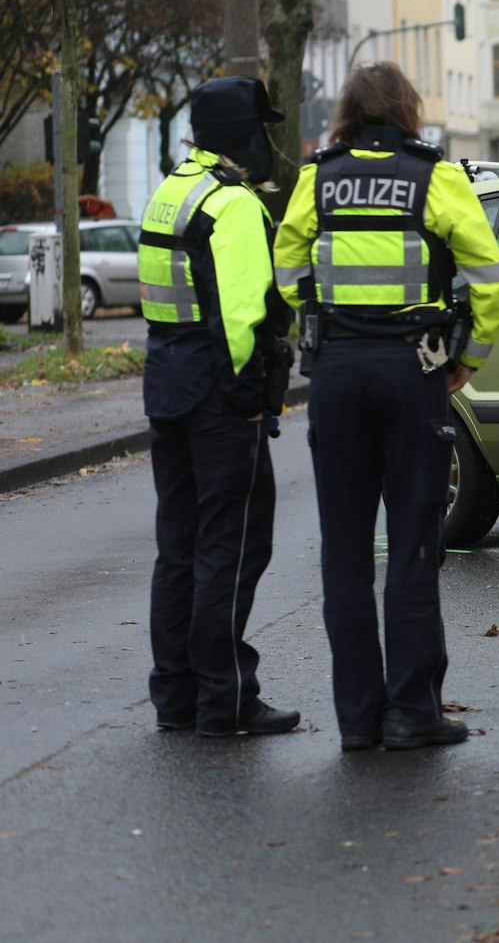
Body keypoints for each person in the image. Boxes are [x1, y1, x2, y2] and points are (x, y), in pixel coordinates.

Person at [275, 63, 499, 750]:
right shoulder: (434, 176)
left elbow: (286, 270)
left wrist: (319, 316)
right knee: (411, 543)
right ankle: (413, 711)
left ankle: (357, 720)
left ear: (348, 111)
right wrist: (470, 357)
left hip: (339, 370)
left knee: (344, 550)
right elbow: (490, 279)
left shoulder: (317, 177)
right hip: (415, 368)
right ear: (407, 108)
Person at [138, 76, 298, 738]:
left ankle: (174, 695)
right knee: (228, 549)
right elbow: (241, 316)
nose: (267, 142)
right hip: (216, 397)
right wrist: (249, 402)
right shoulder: (231, 205)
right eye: (261, 129)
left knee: (177, 546)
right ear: (241, 134)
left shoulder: (171, 192)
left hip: (167, 388)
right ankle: (225, 696)